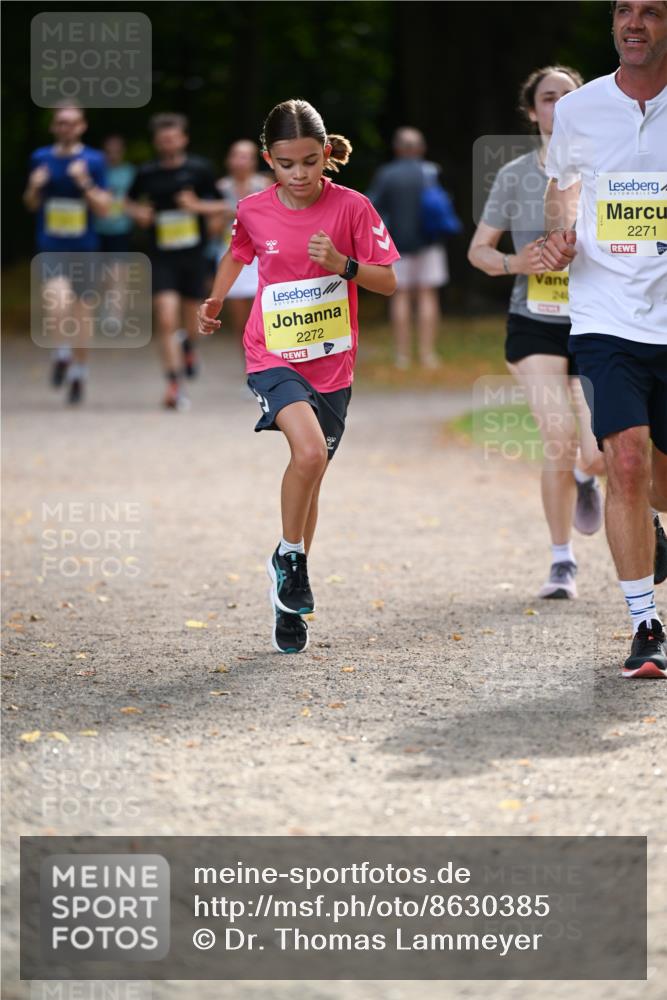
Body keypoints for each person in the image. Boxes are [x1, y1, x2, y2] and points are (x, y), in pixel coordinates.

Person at [198, 99, 399, 653]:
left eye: (311, 161)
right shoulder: (254, 209)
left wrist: (343, 265)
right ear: (269, 160)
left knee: (312, 476)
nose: (301, 174)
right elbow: (236, 255)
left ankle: (290, 598)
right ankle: (290, 557)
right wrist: (215, 300)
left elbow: (388, 283)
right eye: (287, 164)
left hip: (333, 361)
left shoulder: (353, 208)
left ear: (328, 153)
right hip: (274, 354)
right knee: (307, 455)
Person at [542, 0, 667, 677]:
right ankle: (644, 624)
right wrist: (561, 233)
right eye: (624, 9)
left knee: (655, 483)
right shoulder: (580, 109)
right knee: (623, 459)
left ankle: (652, 529)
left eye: (651, 11)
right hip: (605, 315)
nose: (634, 22)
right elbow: (562, 187)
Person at [468, 66, 605, 601]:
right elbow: (478, 251)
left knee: (595, 452)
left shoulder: (604, 169)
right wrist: (512, 263)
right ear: (532, 111)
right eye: (549, 99)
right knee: (559, 438)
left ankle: (588, 478)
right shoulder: (515, 175)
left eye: (569, 98)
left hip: (598, 323)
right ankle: (561, 561)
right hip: (534, 326)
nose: (559, 107)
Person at [125, 113, 224, 409]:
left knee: (192, 322)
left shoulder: (200, 169)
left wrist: (196, 206)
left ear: (183, 139)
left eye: (173, 137)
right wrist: (137, 213)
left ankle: (189, 346)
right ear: (157, 142)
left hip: (193, 256)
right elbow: (128, 201)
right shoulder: (147, 172)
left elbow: (222, 204)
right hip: (161, 256)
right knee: (166, 317)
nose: (168, 143)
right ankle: (174, 384)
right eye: (163, 138)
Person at [23, 103, 110, 404]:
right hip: (51, 245)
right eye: (61, 122)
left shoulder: (94, 160)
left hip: (84, 247)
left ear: (82, 126)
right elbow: (31, 204)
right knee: (56, 302)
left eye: (72, 123)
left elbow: (104, 208)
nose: (66, 127)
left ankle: (79, 373)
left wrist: (83, 182)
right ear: (53, 126)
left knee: (82, 315)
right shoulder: (40, 158)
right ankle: (62, 354)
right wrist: (35, 187)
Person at [368, 127, 459, 369]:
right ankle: (428, 354)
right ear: (420, 148)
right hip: (430, 243)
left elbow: (371, 208)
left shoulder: (386, 174)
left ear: (397, 148)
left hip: (396, 246)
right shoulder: (430, 171)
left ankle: (402, 356)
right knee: (428, 295)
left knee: (401, 296)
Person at [211, 140, 271, 347]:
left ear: (255, 161)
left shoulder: (264, 186)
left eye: (245, 156)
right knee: (240, 321)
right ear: (229, 160)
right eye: (236, 155)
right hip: (231, 253)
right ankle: (249, 366)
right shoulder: (220, 188)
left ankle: (264, 362)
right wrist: (221, 216)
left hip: (260, 256)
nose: (240, 161)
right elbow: (212, 228)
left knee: (262, 318)